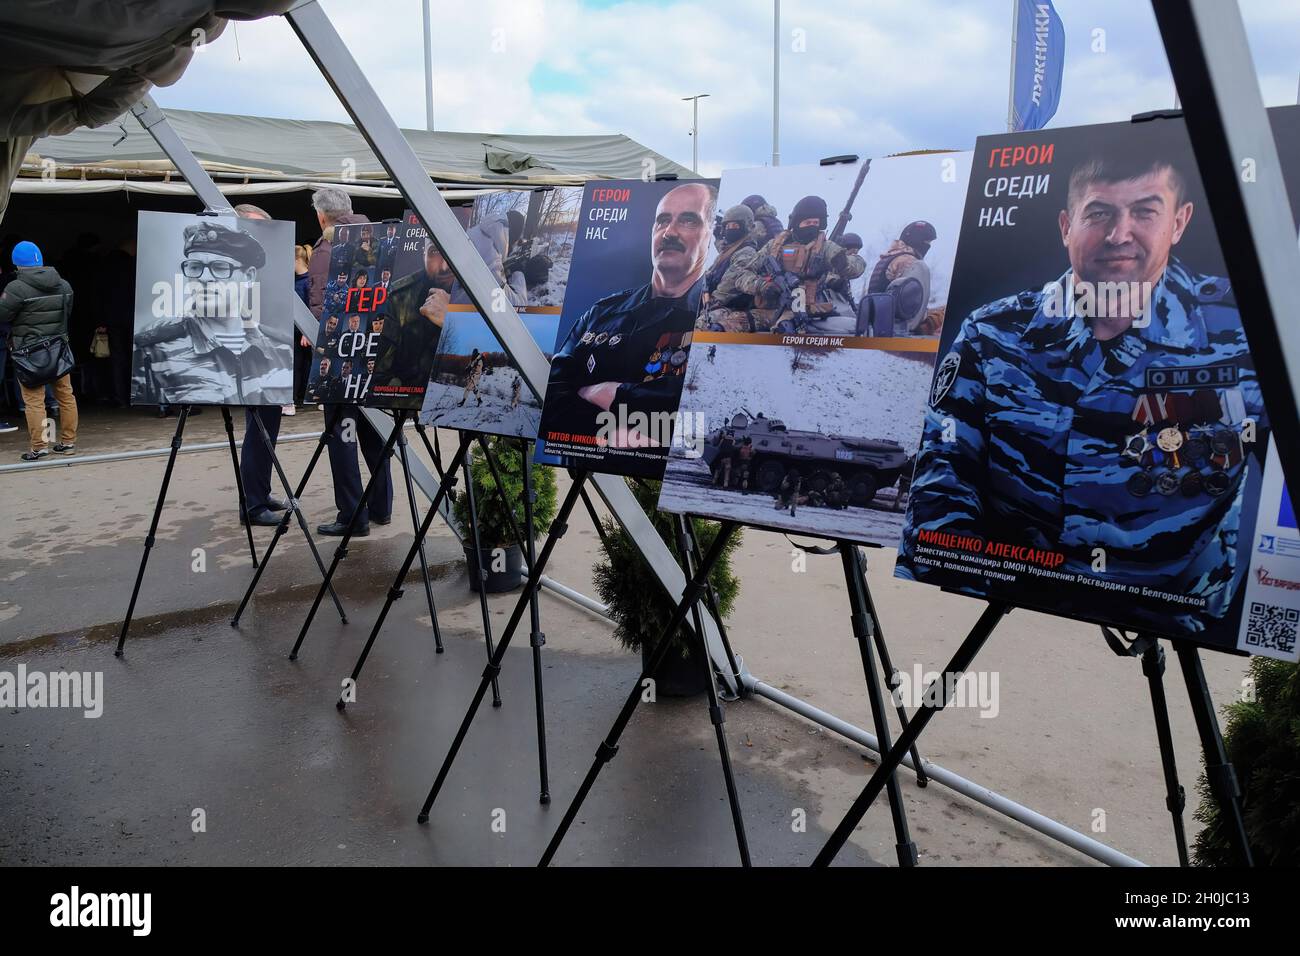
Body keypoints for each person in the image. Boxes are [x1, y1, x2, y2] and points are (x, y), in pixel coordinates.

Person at [899, 151, 1262, 635]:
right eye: (1100, 213)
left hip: (1172, 610)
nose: (1119, 235)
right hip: (1010, 594)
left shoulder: (1249, 332)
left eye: (1145, 212)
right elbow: (944, 471)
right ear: (1067, 225)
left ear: (1179, 222)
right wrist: (968, 578)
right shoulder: (994, 332)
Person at [543, 182, 717, 447]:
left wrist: (612, 394)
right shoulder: (602, 313)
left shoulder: (718, 322)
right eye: (662, 221)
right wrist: (618, 434)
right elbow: (553, 400)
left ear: (712, 234)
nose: (669, 232)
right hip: (585, 466)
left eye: (689, 221)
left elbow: (697, 414)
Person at [132, 216, 292, 407]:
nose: (205, 277)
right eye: (195, 267)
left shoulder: (281, 349)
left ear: (248, 276)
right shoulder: (153, 349)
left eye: (220, 267)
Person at [309, 187, 392, 537]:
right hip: (376, 352)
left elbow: (318, 306)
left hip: (341, 355)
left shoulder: (326, 249)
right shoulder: (380, 241)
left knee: (342, 437)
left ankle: (351, 516)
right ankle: (381, 507)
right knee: (373, 432)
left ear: (320, 215)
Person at [734, 194, 865, 334]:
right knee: (725, 325)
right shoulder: (774, 246)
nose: (812, 227)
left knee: (785, 332)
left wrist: (844, 264)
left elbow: (857, 265)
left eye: (815, 223)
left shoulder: (827, 248)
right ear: (797, 223)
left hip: (804, 313)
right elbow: (742, 275)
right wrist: (761, 285)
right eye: (808, 223)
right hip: (768, 311)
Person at [0, 241, 78, 460]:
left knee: (35, 400)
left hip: (29, 352)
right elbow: (67, 313)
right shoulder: (64, 285)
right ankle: (68, 443)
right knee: (65, 396)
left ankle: (40, 446)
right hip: (58, 349)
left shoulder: (16, 288)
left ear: (17, 264)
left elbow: (2, 315)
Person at [861, 220, 937, 336]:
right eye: (927, 242)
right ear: (917, 240)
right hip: (897, 329)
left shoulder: (888, 258)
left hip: (875, 322)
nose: (928, 246)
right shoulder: (911, 262)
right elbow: (912, 312)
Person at [699, 203, 761, 332]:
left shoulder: (746, 251)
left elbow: (727, 288)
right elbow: (711, 273)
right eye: (727, 225)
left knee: (701, 324)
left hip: (729, 307)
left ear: (747, 227)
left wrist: (708, 302)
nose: (730, 229)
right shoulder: (729, 250)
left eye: (735, 225)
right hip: (713, 300)